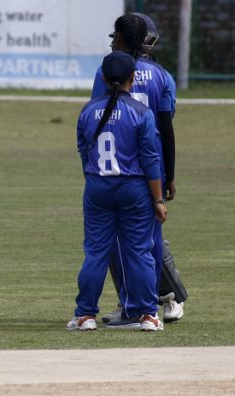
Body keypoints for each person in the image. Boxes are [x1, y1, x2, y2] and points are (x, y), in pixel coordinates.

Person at [92, 13, 186, 325]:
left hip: (120, 166)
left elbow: (96, 118)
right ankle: (162, 301)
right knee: (150, 239)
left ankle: (137, 303)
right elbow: (166, 129)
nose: (111, 41)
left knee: (119, 240)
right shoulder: (161, 75)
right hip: (153, 166)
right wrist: (169, 174)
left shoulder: (106, 71)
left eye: (114, 36)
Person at [68, 51, 167, 332]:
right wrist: (158, 199)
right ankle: (147, 315)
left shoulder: (87, 111)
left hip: (97, 185)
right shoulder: (141, 112)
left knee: (96, 252)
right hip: (133, 187)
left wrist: (95, 177)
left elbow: (83, 150)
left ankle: (85, 315)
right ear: (132, 79)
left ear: (102, 77)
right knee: (139, 252)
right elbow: (150, 158)